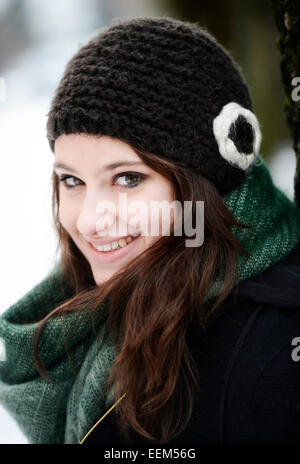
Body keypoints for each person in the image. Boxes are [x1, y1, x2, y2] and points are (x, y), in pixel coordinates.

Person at [0, 16, 300, 445]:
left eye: (127, 179)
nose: (88, 220)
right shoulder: (93, 304)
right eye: (72, 181)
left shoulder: (270, 357)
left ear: (202, 181)